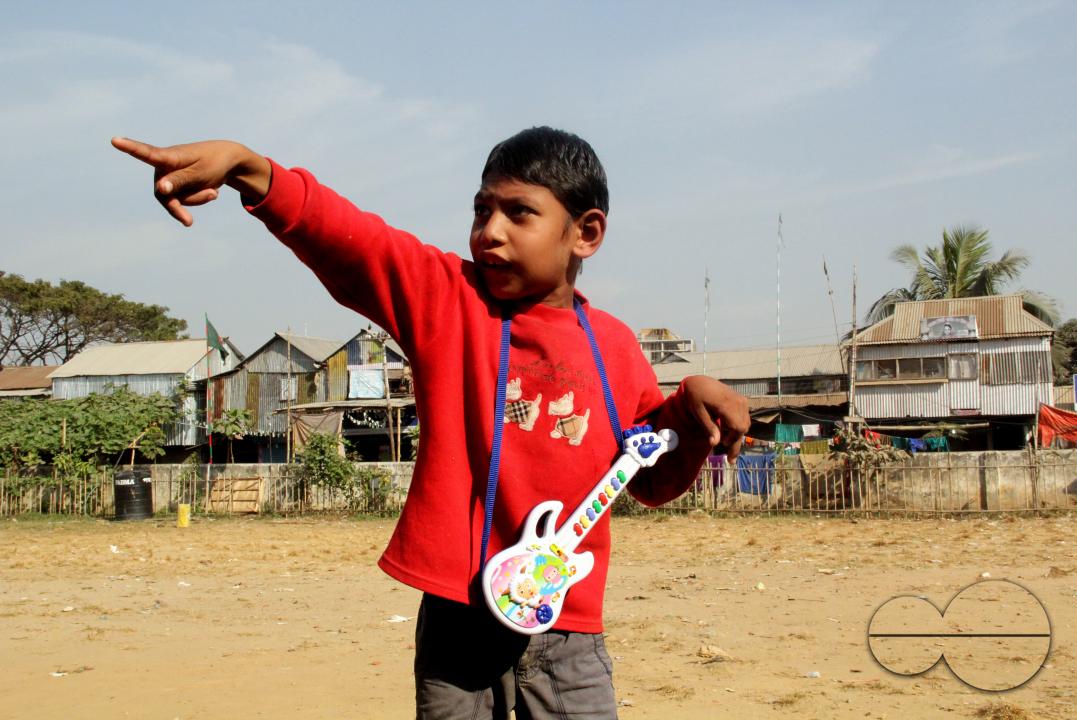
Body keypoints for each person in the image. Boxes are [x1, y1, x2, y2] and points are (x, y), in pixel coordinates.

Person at [112, 128, 750, 719]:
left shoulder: (613, 347)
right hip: (457, 628)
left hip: (566, 636)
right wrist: (253, 170)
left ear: (585, 233)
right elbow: (355, 240)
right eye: (480, 210)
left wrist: (691, 413)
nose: (488, 232)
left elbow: (648, 482)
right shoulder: (450, 299)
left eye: (518, 213)